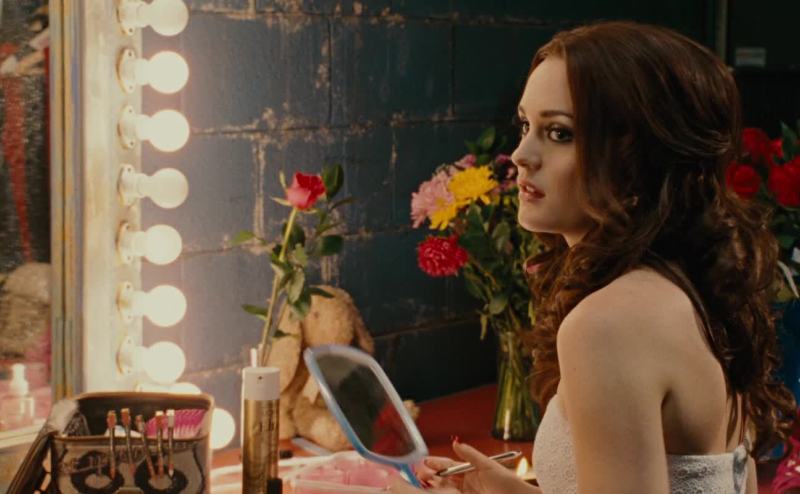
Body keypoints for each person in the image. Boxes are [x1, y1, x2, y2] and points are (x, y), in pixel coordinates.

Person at [390, 20, 796, 494]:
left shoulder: (608, 325)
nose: (521, 154)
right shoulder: (689, 292)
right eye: (526, 125)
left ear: (641, 156)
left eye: (559, 133)